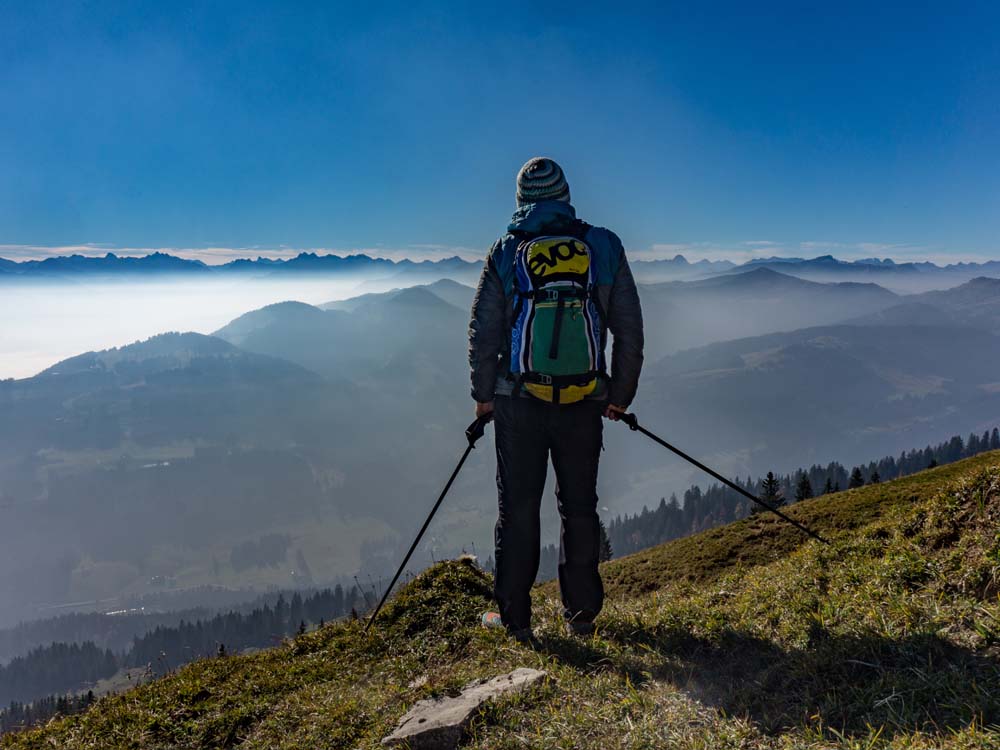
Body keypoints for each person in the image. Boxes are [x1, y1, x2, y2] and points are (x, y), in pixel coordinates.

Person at [469, 157, 644, 640]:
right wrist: (618, 395)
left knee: (518, 510)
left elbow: (485, 331)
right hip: (584, 400)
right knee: (579, 506)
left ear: (521, 200)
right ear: (565, 195)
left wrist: (484, 396)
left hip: (518, 402)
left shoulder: (506, 251)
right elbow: (629, 329)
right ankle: (581, 614)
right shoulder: (603, 246)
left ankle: (514, 620)